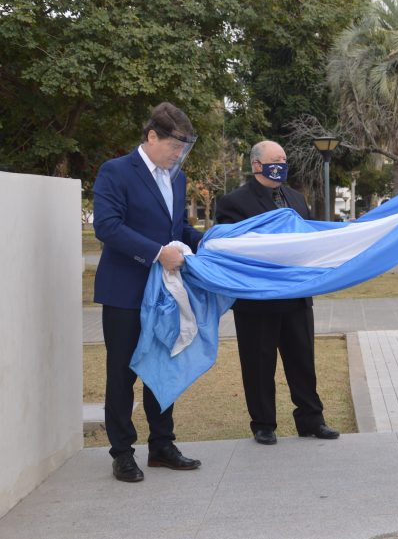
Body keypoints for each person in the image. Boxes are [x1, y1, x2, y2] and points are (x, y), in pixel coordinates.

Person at [92, 102, 204, 482]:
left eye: (184, 148)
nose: (179, 154)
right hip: (125, 291)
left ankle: (162, 446)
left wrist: (207, 242)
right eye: (175, 146)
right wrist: (157, 253)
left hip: (165, 294)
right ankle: (122, 452)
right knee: (121, 374)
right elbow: (106, 226)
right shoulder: (116, 172)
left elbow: (177, 228)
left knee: (162, 366)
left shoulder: (178, 178)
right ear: (151, 136)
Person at [214, 140, 339, 445]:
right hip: (257, 301)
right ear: (256, 164)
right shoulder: (233, 202)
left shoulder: (296, 198)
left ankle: (311, 420)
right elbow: (232, 249)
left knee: (303, 362)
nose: (280, 164)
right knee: (258, 364)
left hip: (296, 297)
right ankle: (263, 424)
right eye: (274, 159)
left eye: (283, 159)